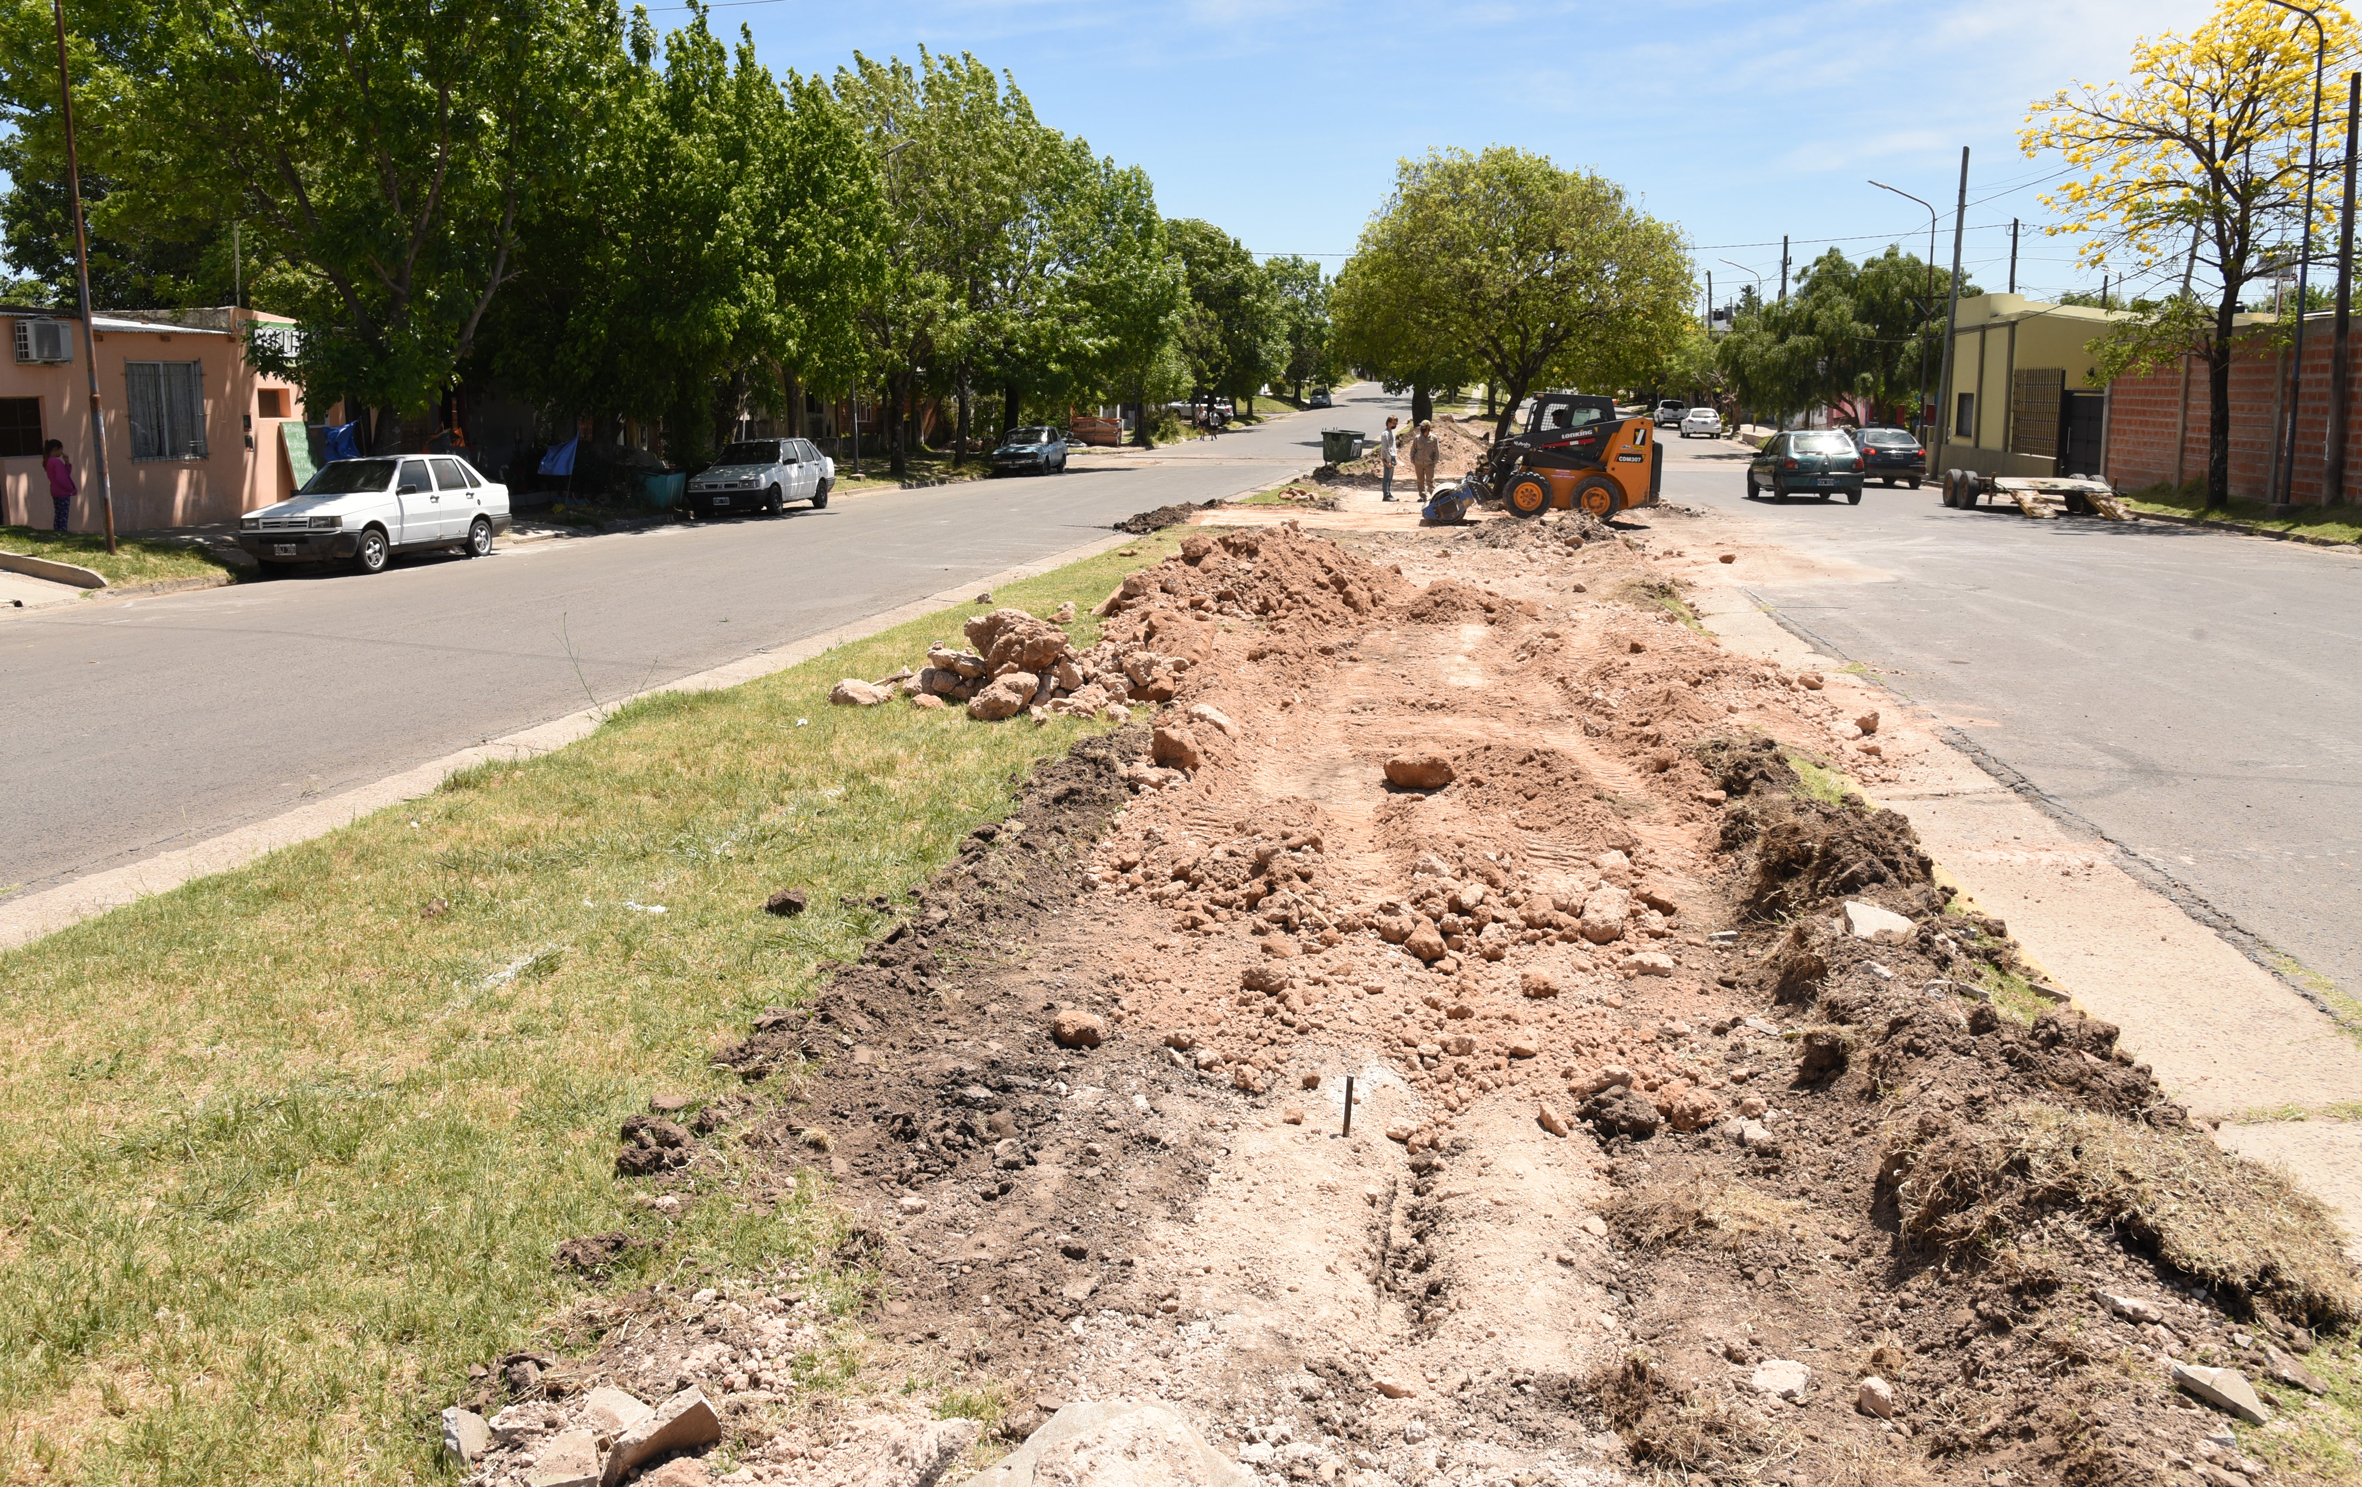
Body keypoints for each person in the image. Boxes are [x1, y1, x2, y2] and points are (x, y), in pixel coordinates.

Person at [42, 439, 75, 532]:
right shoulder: (56, 462)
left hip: (55, 491)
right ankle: (62, 532)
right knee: (63, 514)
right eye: (61, 450)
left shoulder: (48, 461)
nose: (61, 453)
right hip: (62, 492)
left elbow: (64, 473)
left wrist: (67, 463)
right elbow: (62, 478)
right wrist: (69, 487)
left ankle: (57, 531)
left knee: (58, 513)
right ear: (55, 449)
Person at [1410, 419, 1440, 499]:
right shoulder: (1417, 438)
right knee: (1420, 480)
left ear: (1427, 427)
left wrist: (1435, 462)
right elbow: (1413, 449)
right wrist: (1413, 460)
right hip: (1418, 463)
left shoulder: (1433, 438)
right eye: (1421, 426)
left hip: (1429, 463)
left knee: (1430, 480)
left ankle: (1434, 496)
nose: (1421, 428)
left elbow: (1436, 451)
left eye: (1423, 426)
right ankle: (1422, 496)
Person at [1379, 415, 1400, 500]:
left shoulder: (1391, 432)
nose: (1394, 424)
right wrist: (1387, 461)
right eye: (1393, 423)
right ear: (1388, 422)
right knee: (1386, 477)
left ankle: (1389, 493)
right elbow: (1385, 448)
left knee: (1390, 478)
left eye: (1396, 423)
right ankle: (1386, 495)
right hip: (1388, 458)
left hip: (1392, 457)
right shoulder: (1385, 434)